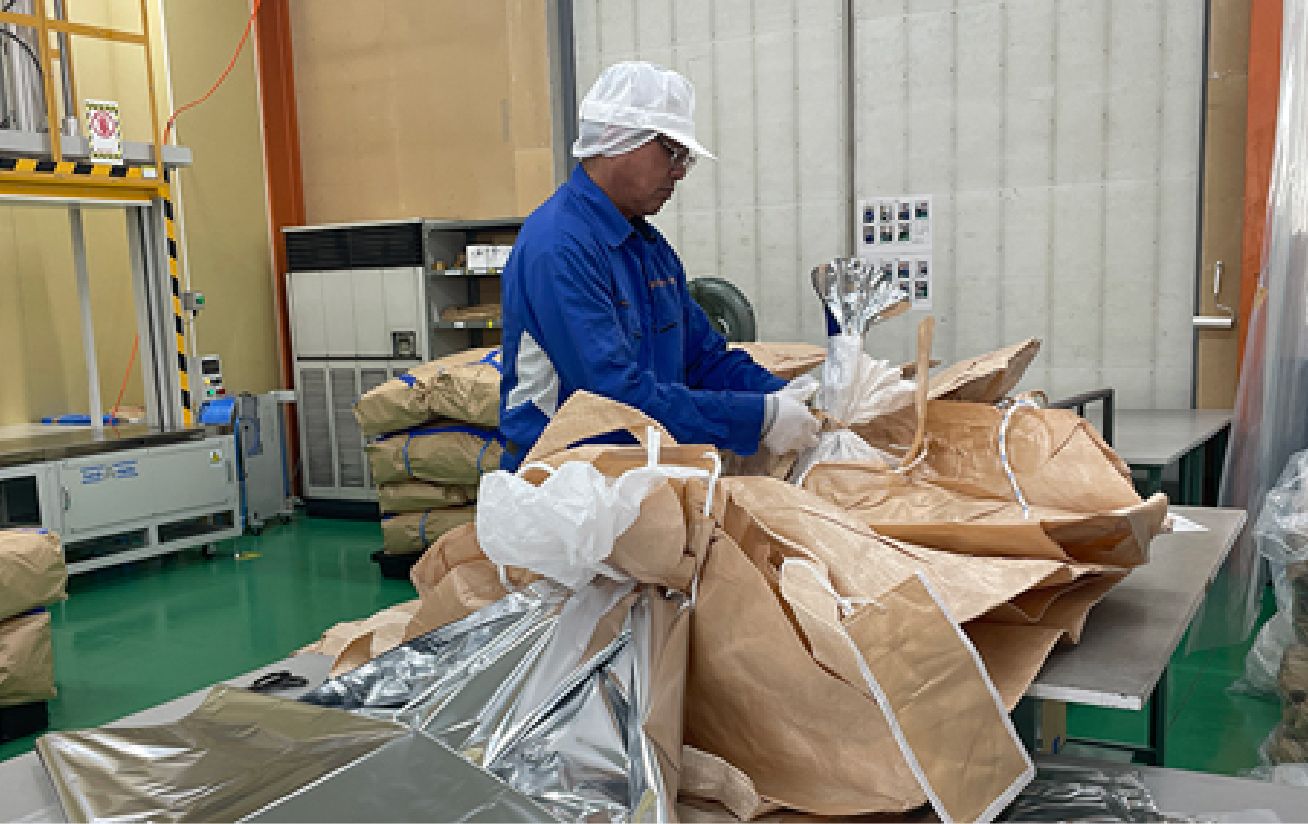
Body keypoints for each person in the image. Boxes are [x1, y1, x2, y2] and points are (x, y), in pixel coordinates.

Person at [497, 61, 820, 469]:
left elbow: (703, 358)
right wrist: (758, 417)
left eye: (685, 157)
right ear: (617, 139)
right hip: (562, 478)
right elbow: (614, 398)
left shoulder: (648, 249)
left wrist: (784, 393)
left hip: (635, 470)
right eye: (671, 151)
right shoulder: (559, 246)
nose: (679, 172)